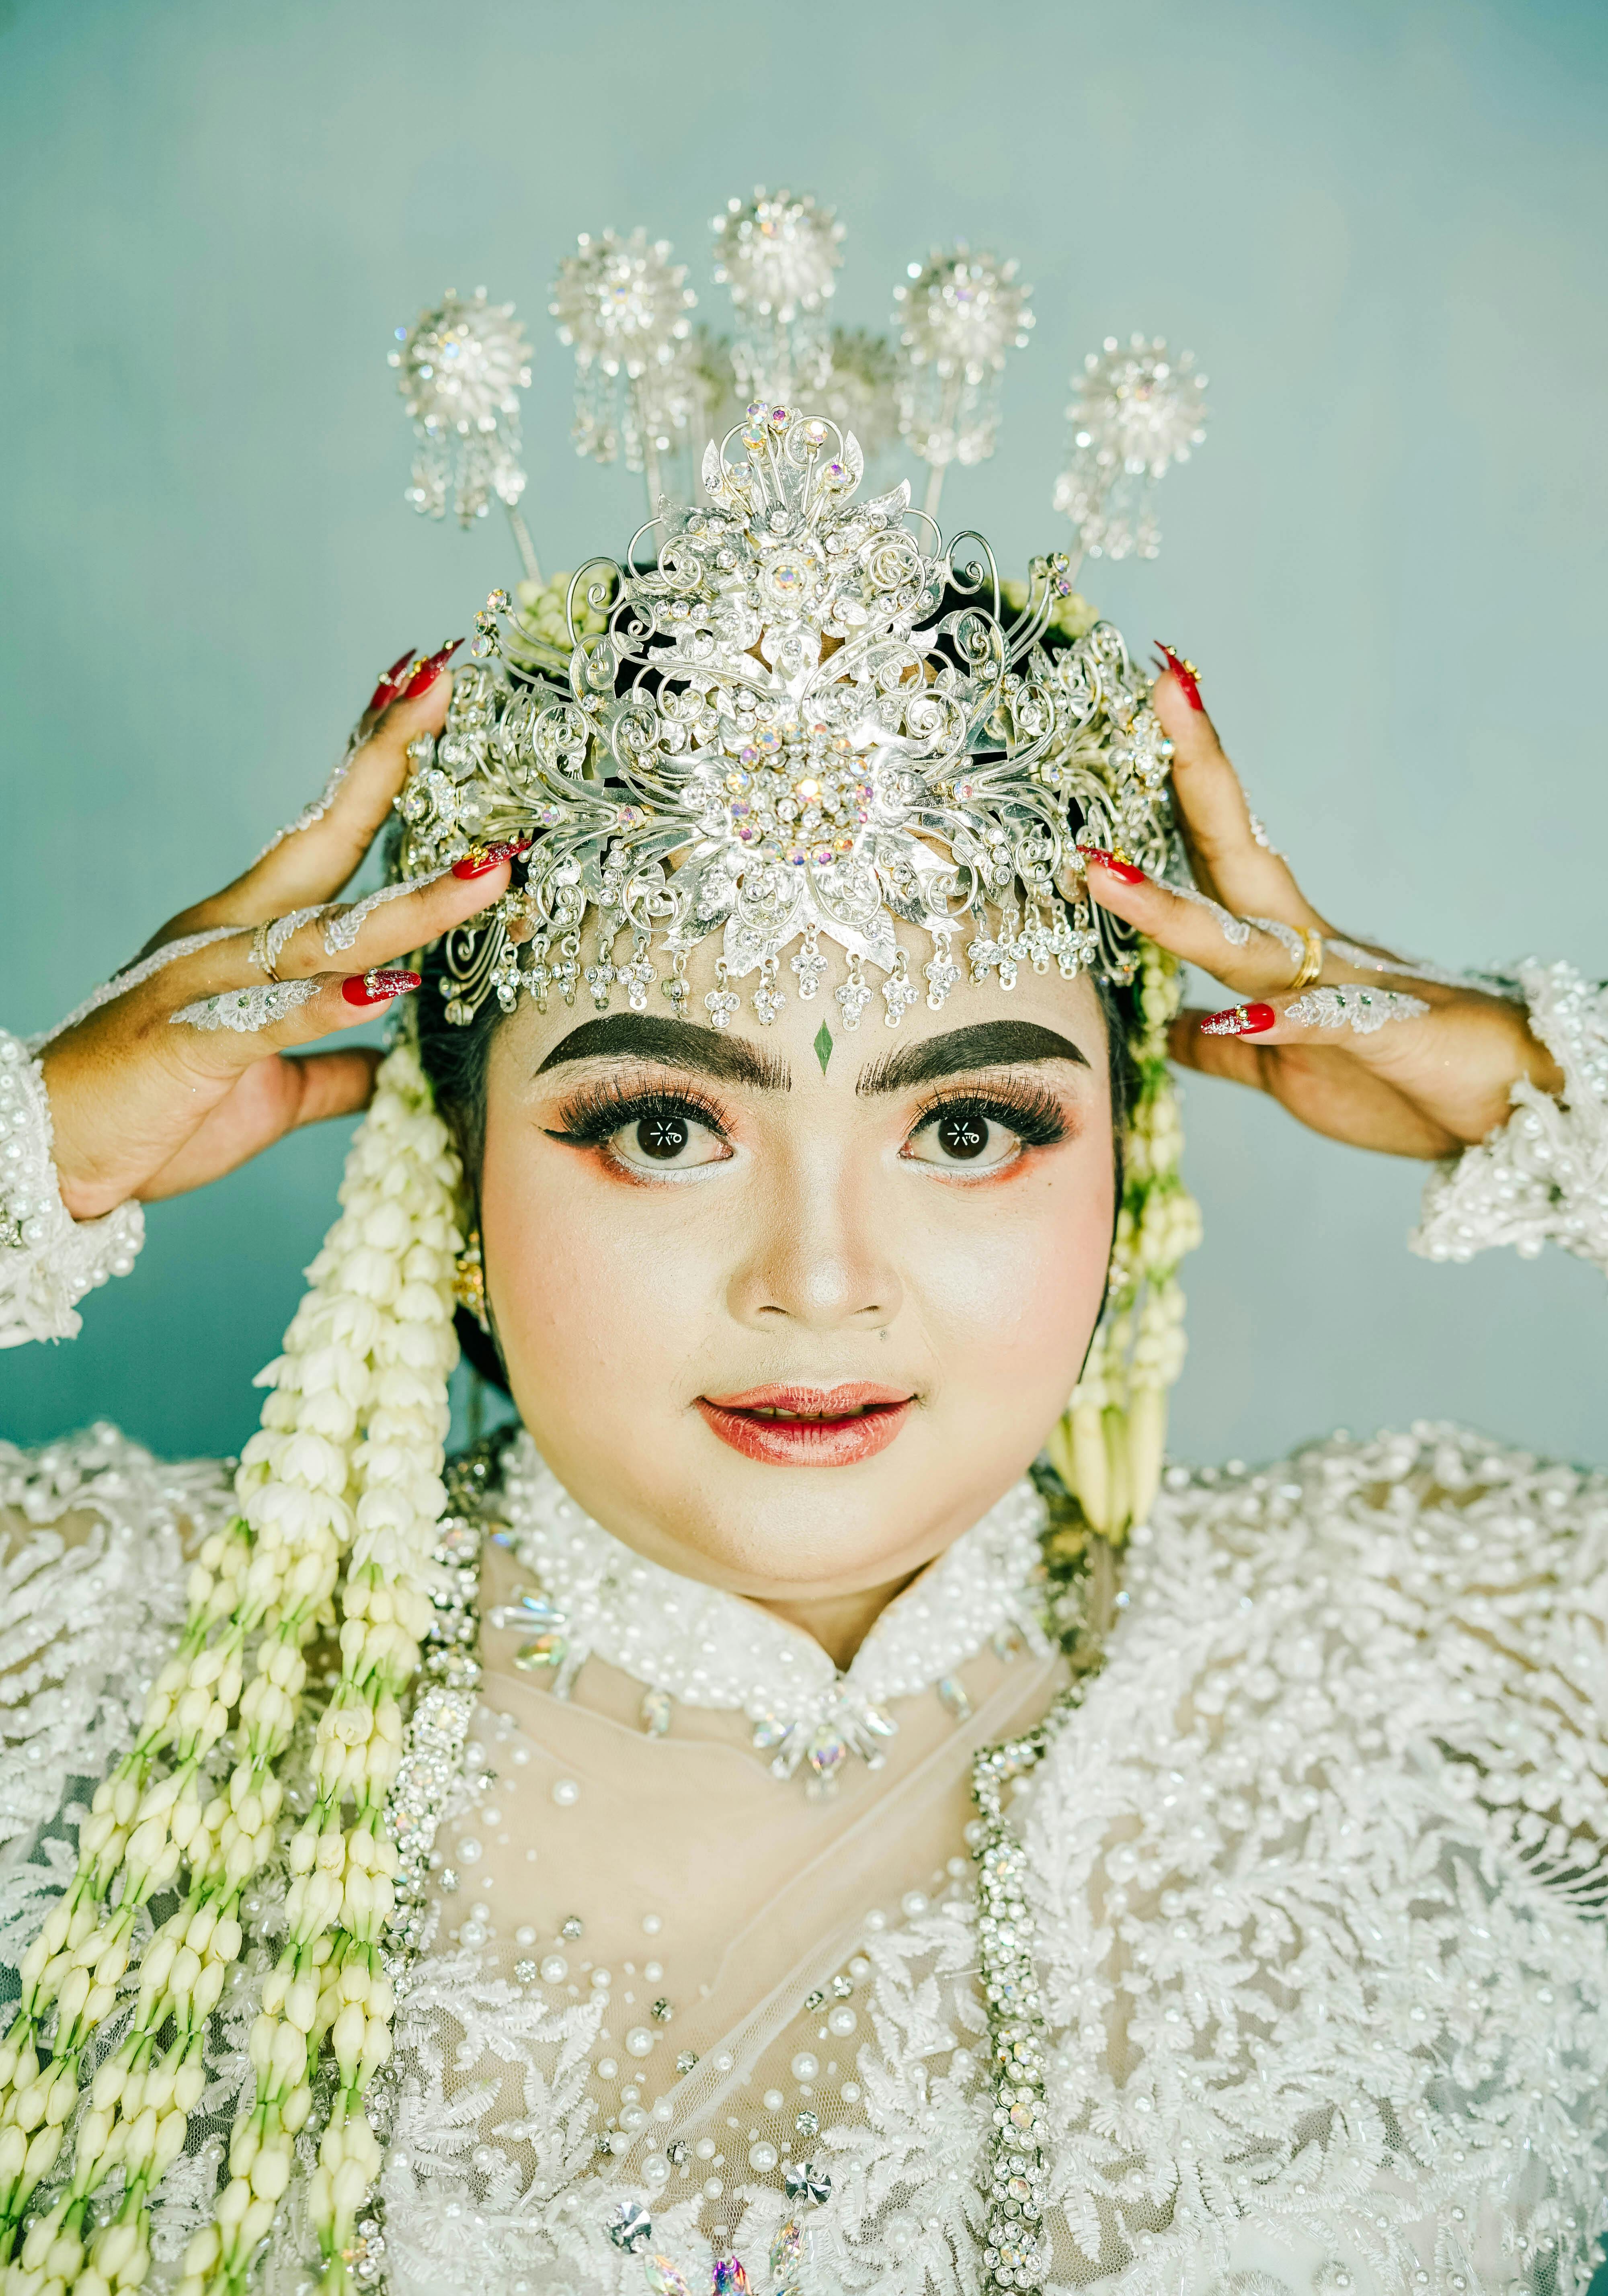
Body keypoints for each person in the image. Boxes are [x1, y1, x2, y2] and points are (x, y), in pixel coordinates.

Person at [2, 413, 1604, 2296]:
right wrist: (41, 1145)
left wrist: (1530, 1083)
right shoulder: (105, 1666)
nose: (821, 1285)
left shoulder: (1436, 1652)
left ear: (1124, 1155)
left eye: (971, 1127)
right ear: (451, 1168)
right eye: (664, 1128)